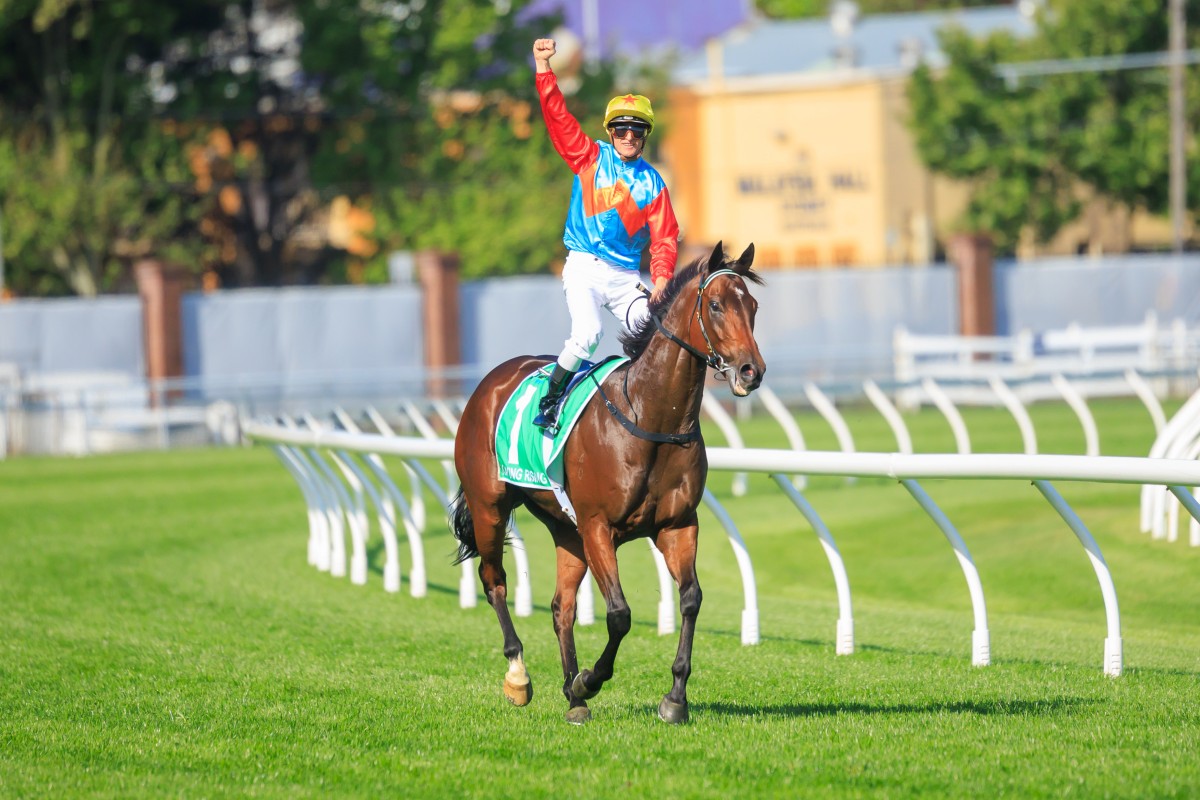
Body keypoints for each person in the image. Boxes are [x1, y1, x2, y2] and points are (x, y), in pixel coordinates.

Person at [530, 37, 680, 430]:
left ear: (645, 135)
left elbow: (665, 238)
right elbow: (558, 118)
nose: (628, 136)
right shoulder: (590, 157)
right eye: (621, 129)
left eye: (636, 130)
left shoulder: (654, 184)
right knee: (588, 334)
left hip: (626, 278)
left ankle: (653, 416)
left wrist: (662, 278)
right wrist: (544, 69)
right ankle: (550, 401)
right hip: (584, 268)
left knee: (658, 335)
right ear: (611, 132)